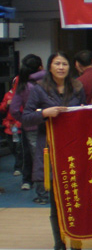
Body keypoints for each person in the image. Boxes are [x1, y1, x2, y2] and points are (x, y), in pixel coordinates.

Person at [22, 52, 86, 250]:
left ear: (70, 67)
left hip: (74, 149)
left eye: (64, 63)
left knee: (76, 200)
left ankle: (76, 244)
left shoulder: (77, 87)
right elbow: (25, 117)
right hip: (51, 149)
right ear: (49, 67)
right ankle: (60, 245)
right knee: (56, 203)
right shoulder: (39, 89)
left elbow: (87, 115)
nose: (61, 67)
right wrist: (44, 113)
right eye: (57, 63)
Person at [9, 54, 44, 193]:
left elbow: (14, 109)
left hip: (31, 126)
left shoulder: (23, 84)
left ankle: (41, 192)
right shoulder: (50, 80)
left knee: (36, 158)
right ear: (41, 67)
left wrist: (25, 119)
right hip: (51, 124)